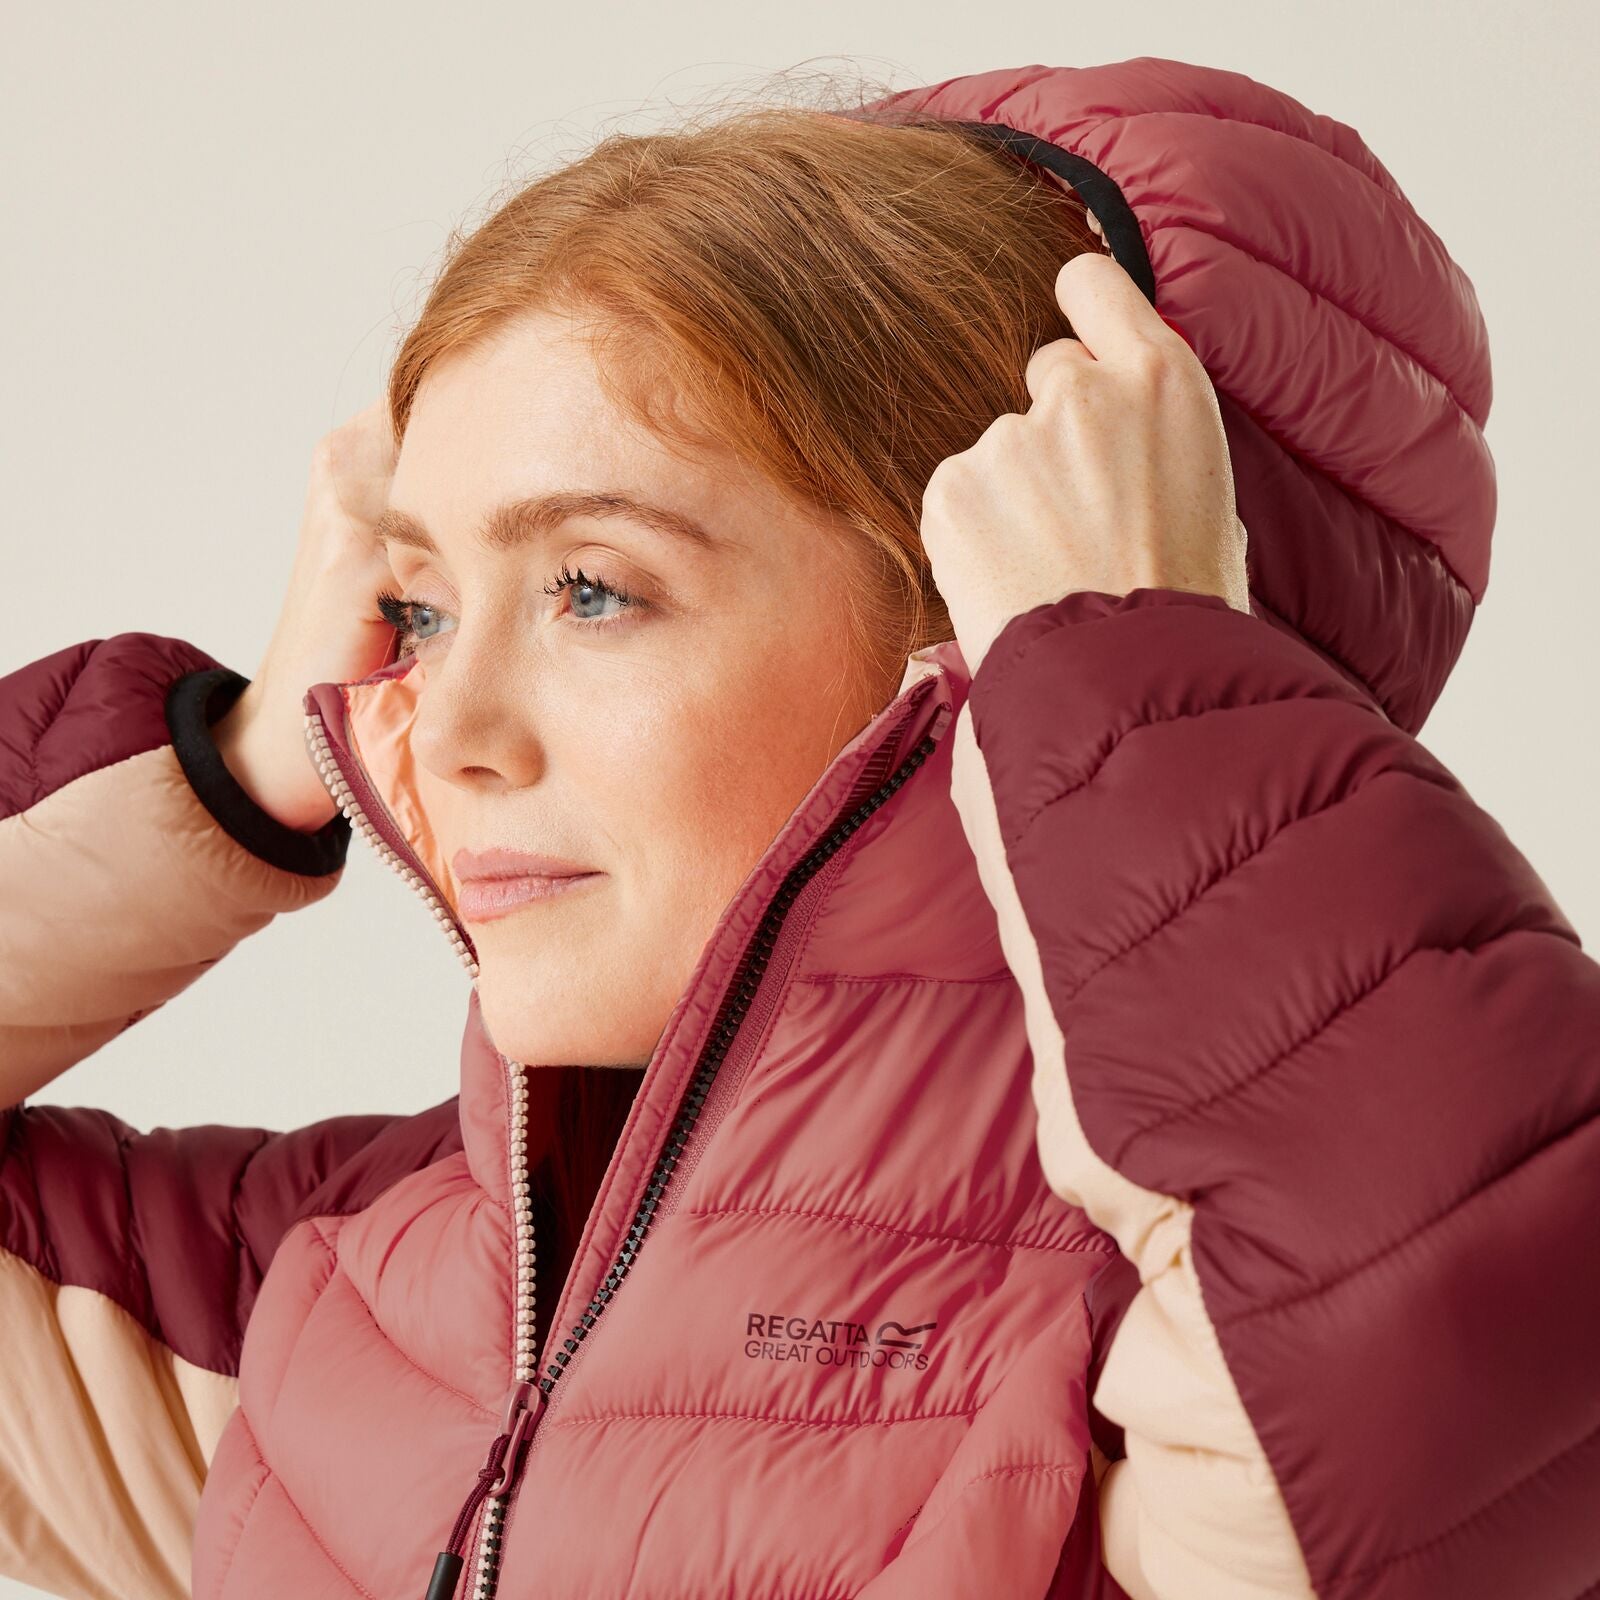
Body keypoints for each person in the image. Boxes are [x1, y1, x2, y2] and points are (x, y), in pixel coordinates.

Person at [2, 54, 1595, 1600]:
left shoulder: (1141, 1363)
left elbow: (1426, 1396)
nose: (448, 729)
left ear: (978, 614)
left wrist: (1134, 671)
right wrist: (235, 760)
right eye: (420, 608)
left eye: (590, 589)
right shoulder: (343, 1299)